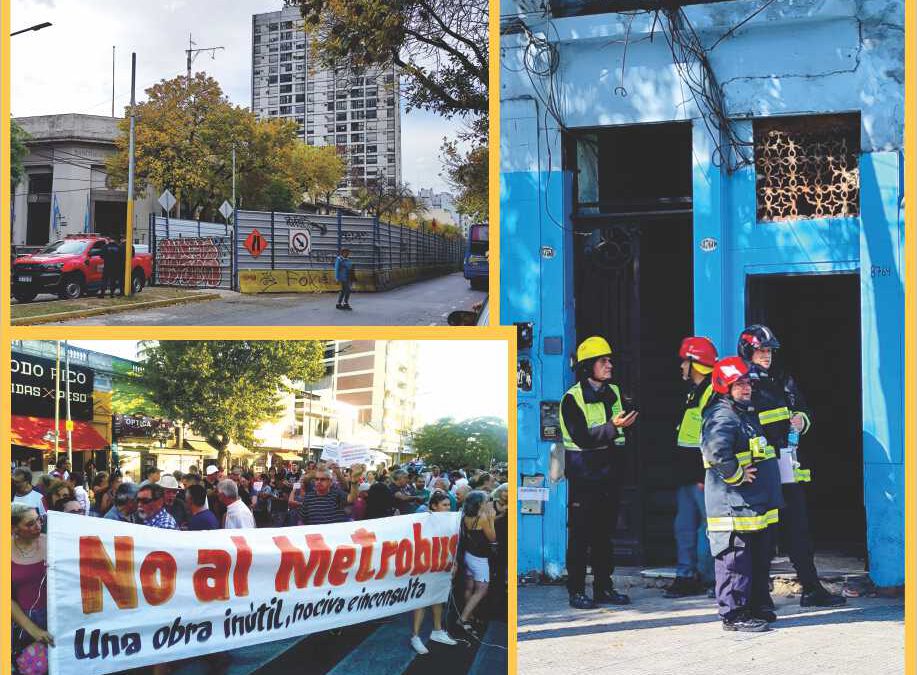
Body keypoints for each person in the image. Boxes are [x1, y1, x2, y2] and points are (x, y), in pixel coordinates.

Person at [739, 324, 845, 608]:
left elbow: (802, 408)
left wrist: (800, 419)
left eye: (770, 350)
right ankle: (759, 596)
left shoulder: (781, 378)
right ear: (748, 351)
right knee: (763, 535)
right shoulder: (742, 383)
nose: (767, 355)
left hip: (788, 465)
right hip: (761, 469)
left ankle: (811, 588)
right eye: (761, 350)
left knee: (799, 529)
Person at [702, 356, 783, 632]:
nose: (746, 387)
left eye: (747, 382)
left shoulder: (744, 412)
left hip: (752, 505)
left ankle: (756, 605)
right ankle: (734, 614)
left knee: (757, 559)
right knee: (735, 561)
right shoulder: (722, 415)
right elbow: (716, 452)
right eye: (739, 384)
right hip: (732, 507)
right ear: (725, 386)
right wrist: (738, 475)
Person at [559, 336, 638, 609]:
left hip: (609, 475)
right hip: (584, 478)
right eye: (603, 361)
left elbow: (622, 425)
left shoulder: (614, 392)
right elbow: (581, 437)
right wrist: (614, 427)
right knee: (581, 536)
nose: (609, 365)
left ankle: (604, 588)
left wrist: (625, 424)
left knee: (604, 536)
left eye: (609, 360)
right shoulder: (572, 399)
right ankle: (577, 591)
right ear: (587, 366)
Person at [665, 337, 718, 599]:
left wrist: (702, 473)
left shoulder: (711, 392)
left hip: (703, 474)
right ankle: (685, 576)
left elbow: (712, 436)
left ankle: (711, 579)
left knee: (708, 529)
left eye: (684, 361)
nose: (681, 366)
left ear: (695, 363)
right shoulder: (693, 391)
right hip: (686, 473)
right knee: (684, 527)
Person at [410, 491, 459, 654]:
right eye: (444, 505)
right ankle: (415, 636)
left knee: (438, 598)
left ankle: (437, 631)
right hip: (425, 564)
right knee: (421, 600)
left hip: (442, 564)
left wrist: (454, 562)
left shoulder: (450, 522)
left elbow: (452, 544)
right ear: (433, 506)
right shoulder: (425, 519)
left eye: (449, 505)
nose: (448, 508)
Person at [11, 505, 54, 667]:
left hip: (56, 616)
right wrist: (33, 630)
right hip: (23, 622)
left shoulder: (52, 542)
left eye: (38, 519)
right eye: (30, 524)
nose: (38, 526)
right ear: (14, 528)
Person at [457, 491, 496, 637]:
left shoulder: (465, 515)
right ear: (480, 503)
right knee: (482, 589)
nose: (489, 503)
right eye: (487, 501)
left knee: (469, 586)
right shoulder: (483, 517)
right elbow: (492, 538)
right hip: (479, 557)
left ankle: (469, 614)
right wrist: (492, 519)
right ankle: (464, 618)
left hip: (468, 554)